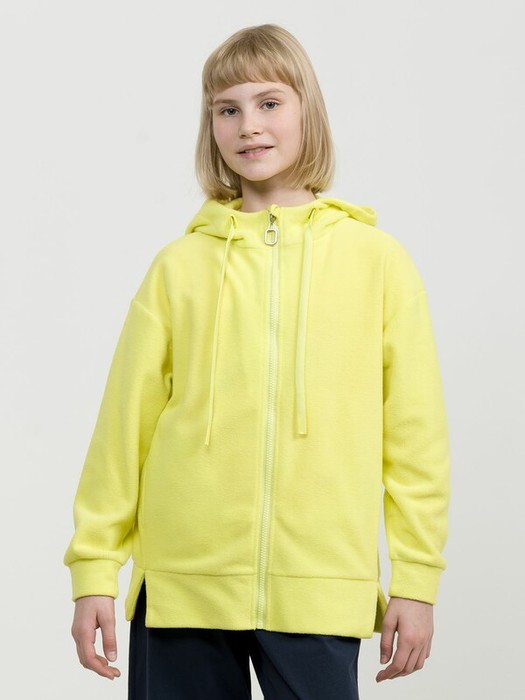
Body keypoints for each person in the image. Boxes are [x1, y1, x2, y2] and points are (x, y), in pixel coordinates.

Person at [64, 22, 450, 699]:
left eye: (269, 102)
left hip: (320, 584)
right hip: (182, 586)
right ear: (210, 125)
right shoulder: (179, 266)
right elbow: (123, 428)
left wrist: (415, 582)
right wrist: (94, 568)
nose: (248, 125)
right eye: (227, 109)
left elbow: (415, 440)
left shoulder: (378, 263)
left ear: (307, 110)